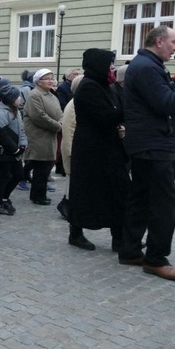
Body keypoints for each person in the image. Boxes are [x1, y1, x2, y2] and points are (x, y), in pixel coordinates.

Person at [119, 26, 175, 280]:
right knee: (165, 204)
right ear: (159, 41)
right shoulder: (146, 67)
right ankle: (155, 258)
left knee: (141, 198)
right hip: (153, 145)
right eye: (174, 42)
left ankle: (130, 250)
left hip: (148, 143)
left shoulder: (147, 65)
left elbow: (163, 99)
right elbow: (165, 102)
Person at [67, 49, 130, 252]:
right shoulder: (88, 87)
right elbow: (106, 117)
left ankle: (119, 238)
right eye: (110, 64)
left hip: (110, 148)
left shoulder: (108, 86)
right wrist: (131, 108)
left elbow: (115, 112)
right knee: (84, 192)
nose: (113, 68)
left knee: (118, 192)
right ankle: (75, 233)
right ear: (98, 65)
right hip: (90, 150)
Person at [22, 69, 63, 205]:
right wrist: (57, 126)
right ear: (39, 82)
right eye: (47, 78)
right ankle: (38, 196)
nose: (51, 80)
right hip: (38, 137)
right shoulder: (35, 95)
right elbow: (39, 116)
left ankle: (40, 193)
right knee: (40, 167)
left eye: (52, 78)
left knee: (45, 167)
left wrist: (61, 122)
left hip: (49, 136)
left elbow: (59, 113)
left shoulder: (51, 95)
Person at [0, 84, 27, 216]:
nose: (20, 100)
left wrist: (23, 144)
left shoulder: (16, 110)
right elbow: (2, 135)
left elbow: (22, 130)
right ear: (10, 99)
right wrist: (15, 150)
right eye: (18, 97)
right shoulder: (0, 112)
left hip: (15, 151)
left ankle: (5, 198)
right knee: (5, 177)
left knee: (19, 175)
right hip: (4, 153)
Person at [57, 74, 84, 221]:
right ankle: (66, 204)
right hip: (72, 149)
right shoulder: (74, 105)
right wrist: (73, 152)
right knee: (71, 180)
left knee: (72, 180)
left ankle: (67, 203)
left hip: (72, 149)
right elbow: (70, 131)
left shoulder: (75, 102)